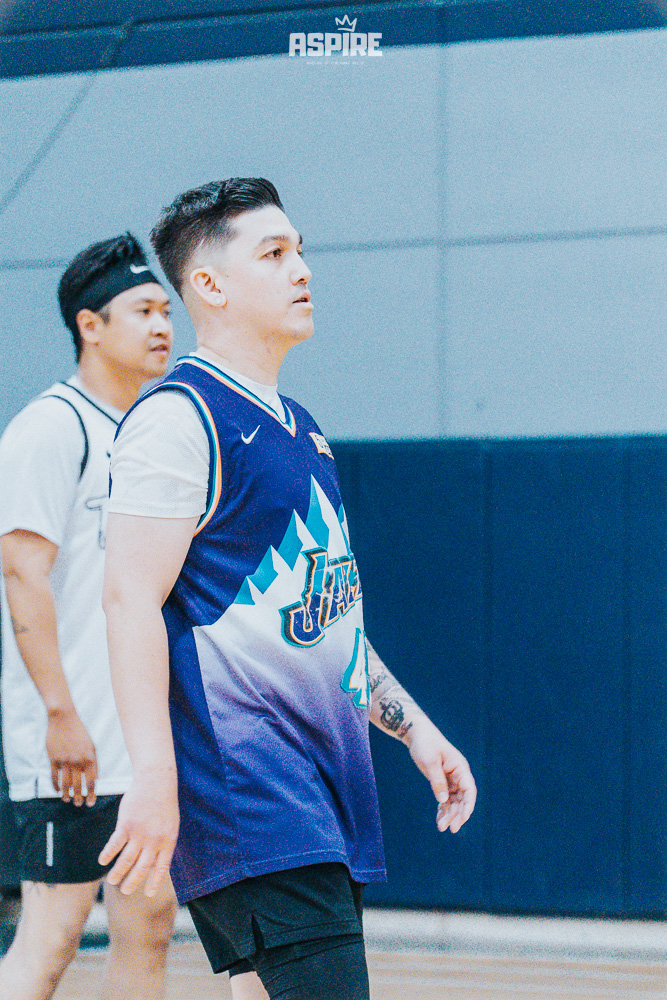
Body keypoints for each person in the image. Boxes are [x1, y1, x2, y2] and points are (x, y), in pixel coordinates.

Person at [100, 179, 477, 1000]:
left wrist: (416, 731)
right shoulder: (180, 419)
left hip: (324, 790)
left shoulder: (301, 428)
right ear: (209, 285)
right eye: (273, 254)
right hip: (251, 792)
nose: (301, 269)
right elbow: (128, 600)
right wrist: (153, 776)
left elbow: (325, 622)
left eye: (299, 250)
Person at [0, 233, 178, 1000]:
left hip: (138, 743)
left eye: (166, 309)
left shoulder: (151, 434)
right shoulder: (51, 427)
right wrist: (60, 713)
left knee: (150, 921)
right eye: (142, 310)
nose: (162, 325)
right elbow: (21, 573)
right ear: (90, 325)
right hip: (69, 743)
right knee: (54, 934)